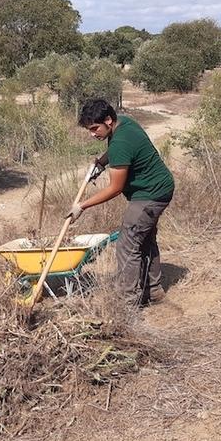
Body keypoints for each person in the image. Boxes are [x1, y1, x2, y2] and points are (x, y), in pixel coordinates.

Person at [67, 98, 174, 305]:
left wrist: (82, 206)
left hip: (150, 195)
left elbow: (115, 188)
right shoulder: (123, 123)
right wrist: (101, 163)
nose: (93, 134)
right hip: (160, 187)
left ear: (108, 120)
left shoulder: (120, 142)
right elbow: (117, 153)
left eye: (95, 128)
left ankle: (127, 301)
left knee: (127, 244)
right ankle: (154, 291)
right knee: (145, 239)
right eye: (89, 129)